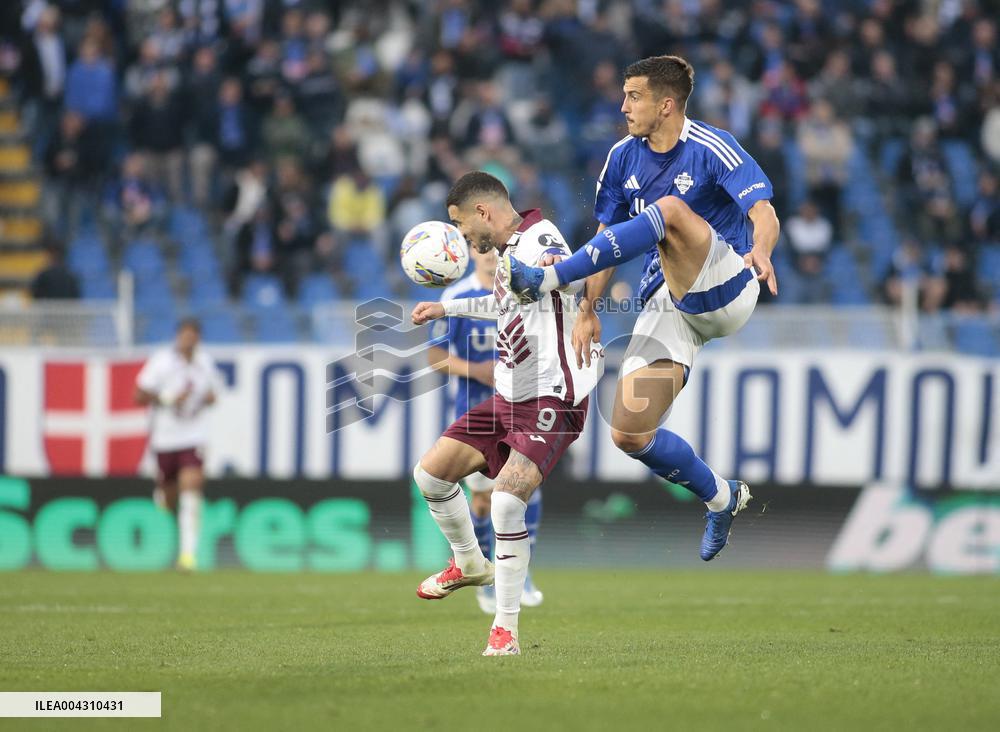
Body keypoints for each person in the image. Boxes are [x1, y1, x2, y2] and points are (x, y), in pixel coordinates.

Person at [504, 55, 781, 561]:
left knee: (672, 212)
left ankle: (543, 279)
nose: (623, 105)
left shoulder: (711, 147)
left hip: (728, 282)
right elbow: (608, 236)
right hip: (670, 302)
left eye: (634, 96)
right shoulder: (621, 158)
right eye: (625, 95)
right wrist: (589, 308)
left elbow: (763, 210)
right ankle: (722, 497)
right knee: (629, 431)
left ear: (666, 104)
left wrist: (761, 249)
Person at [410, 171, 603, 656]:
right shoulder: (506, 252)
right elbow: (504, 304)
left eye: (459, 223)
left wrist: (577, 300)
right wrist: (444, 310)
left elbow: (568, 272)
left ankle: (506, 630)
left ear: (483, 212)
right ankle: (469, 563)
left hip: (552, 397)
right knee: (431, 475)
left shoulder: (540, 239)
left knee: (504, 501)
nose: (460, 237)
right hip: (507, 397)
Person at [426, 246, 544, 615]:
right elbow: (435, 357)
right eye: (486, 252)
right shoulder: (457, 297)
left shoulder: (521, 293)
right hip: (475, 408)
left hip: (522, 404)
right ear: (472, 257)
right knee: (483, 499)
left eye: (499, 252)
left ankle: (518, 572)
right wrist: (475, 371)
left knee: (524, 485)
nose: (493, 258)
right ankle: (486, 574)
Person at [134, 319, 222, 571]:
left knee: (192, 488)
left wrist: (208, 398)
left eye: (193, 335)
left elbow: (214, 394)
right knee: (168, 499)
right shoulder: (161, 362)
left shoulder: (205, 362)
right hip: (165, 438)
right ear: (178, 336)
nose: (189, 340)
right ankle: (163, 495)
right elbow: (138, 394)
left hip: (194, 436)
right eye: (185, 335)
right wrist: (167, 397)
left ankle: (187, 556)